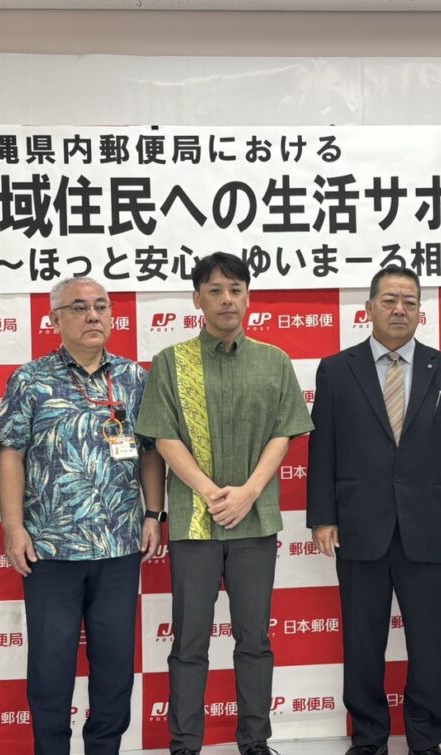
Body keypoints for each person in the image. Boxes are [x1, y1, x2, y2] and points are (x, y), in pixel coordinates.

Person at [135, 252, 314, 755]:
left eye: (235, 289)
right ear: (197, 300)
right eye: (215, 290)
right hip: (195, 523)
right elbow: (163, 437)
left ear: (248, 297)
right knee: (189, 642)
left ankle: (255, 741)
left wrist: (250, 491)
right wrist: (210, 492)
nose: (227, 299)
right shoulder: (171, 362)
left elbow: (284, 432)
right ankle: (184, 744)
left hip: (255, 523)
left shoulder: (274, 360)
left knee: (254, 640)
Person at [306, 265, 441, 755]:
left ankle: (426, 737)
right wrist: (322, 516)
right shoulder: (337, 369)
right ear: (369, 309)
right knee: (362, 641)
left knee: (428, 641)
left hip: (428, 524)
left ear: (421, 311)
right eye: (389, 300)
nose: (399, 309)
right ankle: (368, 738)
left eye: (409, 301)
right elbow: (323, 448)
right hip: (359, 524)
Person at [0, 277, 166, 755]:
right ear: (54, 319)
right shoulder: (30, 379)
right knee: (50, 666)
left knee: (114, 664)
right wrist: (13, 528)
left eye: (101, 306)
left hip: (119, 546)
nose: (93, 315)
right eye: (79, 307)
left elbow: (150, 452)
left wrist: (153, 513)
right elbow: (11, 454)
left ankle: (104, 748)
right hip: (50, 548)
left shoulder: (133, 378)